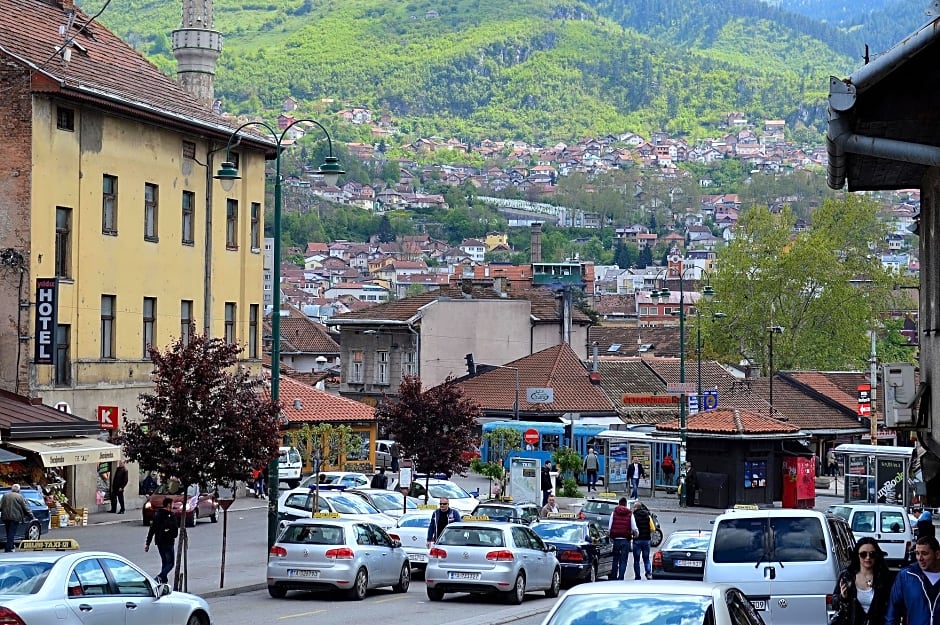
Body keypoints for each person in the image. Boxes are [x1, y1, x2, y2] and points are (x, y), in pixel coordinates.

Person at [832, 537, 894, 625]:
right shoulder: (847, 576)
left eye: (872, 554)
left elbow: (893, 605)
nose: (868, 558)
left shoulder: (885, 577)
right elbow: (834, 604)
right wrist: (843, 597)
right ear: (857, 556)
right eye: (863, 554)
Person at [886, 536, 940, 625]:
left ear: (937, 554)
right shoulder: (906, 575)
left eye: (924, 553)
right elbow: (893, 611)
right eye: (917, 553)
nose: (920, 558)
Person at [145, 497, 179, 584]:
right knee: (170, 563)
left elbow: (152, 529)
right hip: (168, 542)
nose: (173, 505)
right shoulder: (170, 515)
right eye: (172, 503)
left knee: (165, 561)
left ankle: (163, 581)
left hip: (159, 541)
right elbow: (174, 528)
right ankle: (160, 577)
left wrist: (148, 543)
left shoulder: (157, 514)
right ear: (168, 505)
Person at [607, 496, 637, 580]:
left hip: (616, 539)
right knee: (623, 560)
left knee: (615, 559)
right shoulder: (630, 514)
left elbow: (610, 526)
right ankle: (621, 577)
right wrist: (636, 534)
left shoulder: (614, 513)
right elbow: (634, 527)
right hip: (625, 540)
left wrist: (610, 535)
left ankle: (613, 577)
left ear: (619, 504)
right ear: (626, 504)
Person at [0, 484, 33, 553]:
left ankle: (11, 546)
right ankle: (8, 548)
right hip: (15, 517)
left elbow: (0, 506)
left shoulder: (5, 496)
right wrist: (31, 516)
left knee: (8, 532)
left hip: (5, 517)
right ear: (18, 490)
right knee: (11, 533)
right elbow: (25, 508)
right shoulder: (20, 497)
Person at [632, 501, 654, 580]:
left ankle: (637, 576)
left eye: (633, 507)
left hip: (637, 540)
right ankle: (648, 573)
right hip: (646, 540)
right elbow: (652, 528)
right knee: (646, 558)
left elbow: (632, 528)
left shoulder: (633, 516)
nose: (632, 509)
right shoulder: (648, 516)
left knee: (636, 560)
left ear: (636, 508)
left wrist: (633, 535)